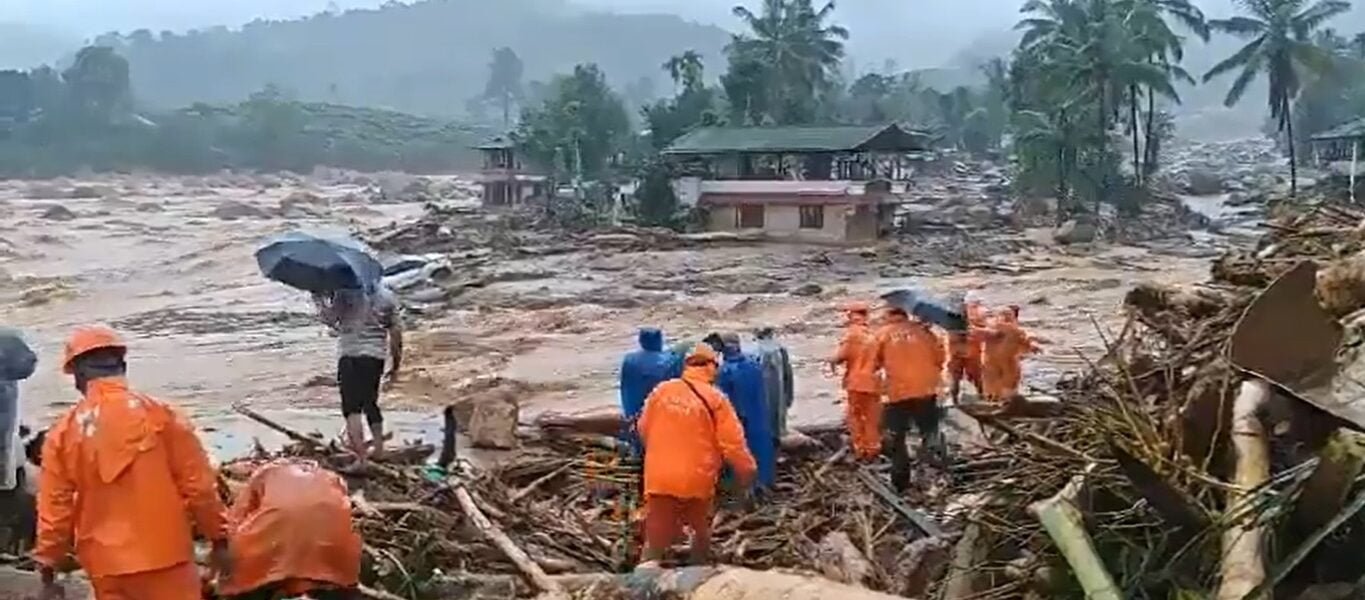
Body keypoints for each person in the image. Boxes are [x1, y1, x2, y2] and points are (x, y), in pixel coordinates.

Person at [35, 325, 229, 600]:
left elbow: (55, 507)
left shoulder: (62, 433)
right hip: (166, 556)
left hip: (105, 566)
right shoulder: (163, 416)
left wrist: (48, 566)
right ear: (122, 365)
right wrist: (219, 539)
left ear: (78, 374)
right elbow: (200, 488)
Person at [636, 344, 755, 565]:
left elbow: (643, 428)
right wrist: (747, 471)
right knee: (699, 531)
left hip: (658, 477)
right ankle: (698, 574)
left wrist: (660, 455)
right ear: (711, 367)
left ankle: (642, 578)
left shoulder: (661, 391)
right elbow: (733, 444)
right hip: (697, 478)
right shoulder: (716, 399)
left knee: (655, 535)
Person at [219, 459, 362, 600]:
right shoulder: (333, 479)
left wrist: (223, 559)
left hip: (275, 553)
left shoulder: (264, 473)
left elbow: (234, 519)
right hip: (332, 556)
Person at [314, 286, 403, 468]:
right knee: (371, 403)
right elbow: (396, 333)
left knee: (352, 408)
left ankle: (361, 458)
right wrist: (396, 364)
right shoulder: (387, 296)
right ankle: (378, 450)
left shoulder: (344, 292)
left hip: (350, 354)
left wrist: (319, 300)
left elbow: (331, 320)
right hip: (375, 356)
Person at [874, 308, 947, 493]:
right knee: (930, 432)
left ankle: (901, 483)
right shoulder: (924, 331)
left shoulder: (882, 334)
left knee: (896, 438)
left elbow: (872, 364)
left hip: (898, 393)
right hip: (927, 390)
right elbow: (940, 357)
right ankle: (936, 477)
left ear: (888, 315)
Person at [716, 333, 774, 490]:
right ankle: (765, 481)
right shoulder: (754, 364)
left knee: (743, 452)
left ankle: (748, 487)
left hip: (739, 418)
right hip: (760, 414)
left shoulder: (724, 372)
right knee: (762, 448)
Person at [829, 302, 882, 461]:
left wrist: (830, 361)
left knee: (856, 416)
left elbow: (839, 357)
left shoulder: (852, 334)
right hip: (874, 382)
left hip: (857, 382)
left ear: (851, 315)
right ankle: (874, 449)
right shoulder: (874, 334)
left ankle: (861, 450)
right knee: (872, 418)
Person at [979, 306, 1041, 404]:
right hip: (991, 365)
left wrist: (1033, 344)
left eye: (1008, 316)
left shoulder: (1017, 332)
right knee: (991, 389)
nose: (1004, 319)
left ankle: (1007, 402)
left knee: (1008, 389)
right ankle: (992, 401)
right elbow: (977, 334)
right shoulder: (989, 332)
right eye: (1002, 316)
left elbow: (1029, 337)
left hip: (1009, 365)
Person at [619, 328, 676, 422]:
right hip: (659, 417)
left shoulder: (629, 359)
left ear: (641, 341)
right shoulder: (669, 359)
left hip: (632, 414)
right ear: (660, 341)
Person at [752, 327, 794, 443]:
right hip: (779, 392)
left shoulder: (753, 352)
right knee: (778, 418)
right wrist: (790, 397)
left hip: (762, 396)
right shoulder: (780, 349)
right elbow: (788, 376)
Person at [947, 293, 987, 404]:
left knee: (955, 377)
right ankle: (981, 396)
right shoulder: (975, 317)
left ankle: (954, 400)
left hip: (956, 351)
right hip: (970, 351)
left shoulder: (949, 320)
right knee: (976, 376)